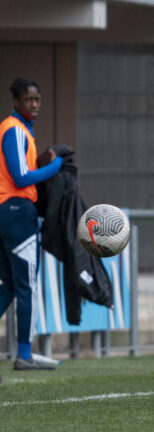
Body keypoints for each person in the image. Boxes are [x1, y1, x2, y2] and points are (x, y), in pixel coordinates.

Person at [0, 78, 62, 371]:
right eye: (29, 100)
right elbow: (21, 177)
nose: (35, 105)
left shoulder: (20, 130)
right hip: (16, 212)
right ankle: (24, 354)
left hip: (7, 212)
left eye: (38, 99)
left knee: (9, 286)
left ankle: (25, 352)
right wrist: (55, 167)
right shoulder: (13, 129)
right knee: (28, 286)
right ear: (16, 102)